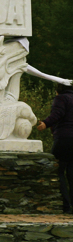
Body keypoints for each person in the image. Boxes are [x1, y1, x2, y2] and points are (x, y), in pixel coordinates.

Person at [37, 82, 73, 214]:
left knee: (58, 171)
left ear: (59, 89)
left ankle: (66, 207)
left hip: (64, 139)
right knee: (71, 173)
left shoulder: (61, 98)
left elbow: (57, 114)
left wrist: (45, 123)